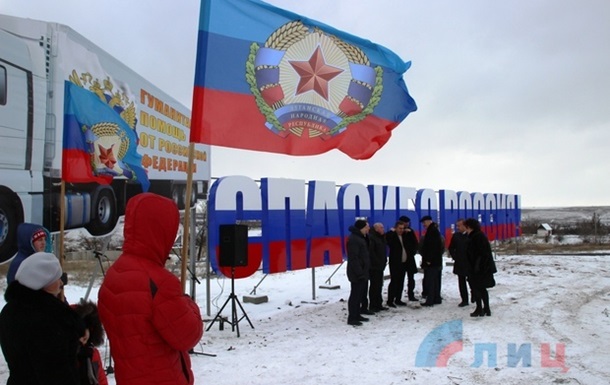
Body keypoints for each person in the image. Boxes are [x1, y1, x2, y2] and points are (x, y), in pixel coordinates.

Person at [97, 193, 203, 385]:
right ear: (160, 230)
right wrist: (188, 303)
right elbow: (188, 335)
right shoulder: (159, 283)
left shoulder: (115, 273)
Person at [0, 252, 84, 385]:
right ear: (44, 281)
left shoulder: (9, 311)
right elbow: (56, 372)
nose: (61, 283)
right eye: (57, 278)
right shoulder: (48, 319)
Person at [464, 218, 497, 317]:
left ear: (469, 227)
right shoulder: (479, 235)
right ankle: (486, 308)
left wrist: (475, 267)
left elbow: (479, 254)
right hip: (482, 268)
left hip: (478, 269)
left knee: (477, 288)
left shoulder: (476, 237)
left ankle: (479, 309)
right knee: (482, 289)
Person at [72, 300, 108, 385]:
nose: (83, 335)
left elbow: (101, 379)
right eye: (78, 332)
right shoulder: (66, 355)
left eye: (85, 330)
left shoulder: (92, 353)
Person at [386, 218, 418, 307]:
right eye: (400, 228)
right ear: (395, 228)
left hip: (404, 263)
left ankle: (398, 299)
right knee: (394, 281)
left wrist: (410, 232)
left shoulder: (405, 235)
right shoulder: (392, 236)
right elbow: (388, 239)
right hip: (396, 263)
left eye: (403, 228)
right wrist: (392, 232)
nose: (401, 230)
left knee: (401, 281)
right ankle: (390, 300)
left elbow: (414, 242)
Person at [346, 219, 371, 326]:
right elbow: (354, 258)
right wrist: (359, 273)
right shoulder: (354, 239)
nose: (368, 229)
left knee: (360, 294)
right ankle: (352, 317)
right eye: (366, 227)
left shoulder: (361, 237)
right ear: (361, 228)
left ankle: (357, 314)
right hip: (356, 272)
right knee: (355, 295)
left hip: (362, 271)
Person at [419, 215, 444, 307]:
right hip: (436, 261)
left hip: (432, 261)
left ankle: (430, 300)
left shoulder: (432, 231)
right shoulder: (434, 230)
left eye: (424, 222)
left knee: (431, 280)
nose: (423, 225)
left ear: (429, 221)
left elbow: (432, 247)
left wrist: (429, 259)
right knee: (435, 280)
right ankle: (436, 298)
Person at [448, 219, 471, 307]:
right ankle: (464, 299)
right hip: (460, 262)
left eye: (459, 226)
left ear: (465, 226)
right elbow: (451, 248)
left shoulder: (470, 235)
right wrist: (455, 257)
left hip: (469, 262)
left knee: (472, 281)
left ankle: (474, 295)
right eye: (457, 226)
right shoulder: (456, 236)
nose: (458, 228)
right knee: (461, 282)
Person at [367, 222, 388, 312]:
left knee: (379, 285)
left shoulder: (381, 237)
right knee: (374, 286)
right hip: (374, 267)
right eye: (381, 228)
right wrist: (378, 262)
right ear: (376, 229)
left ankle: (378, 303)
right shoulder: (372, 238)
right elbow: (372, 253)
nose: (383, 229)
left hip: (380, 266)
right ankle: (373, 305)